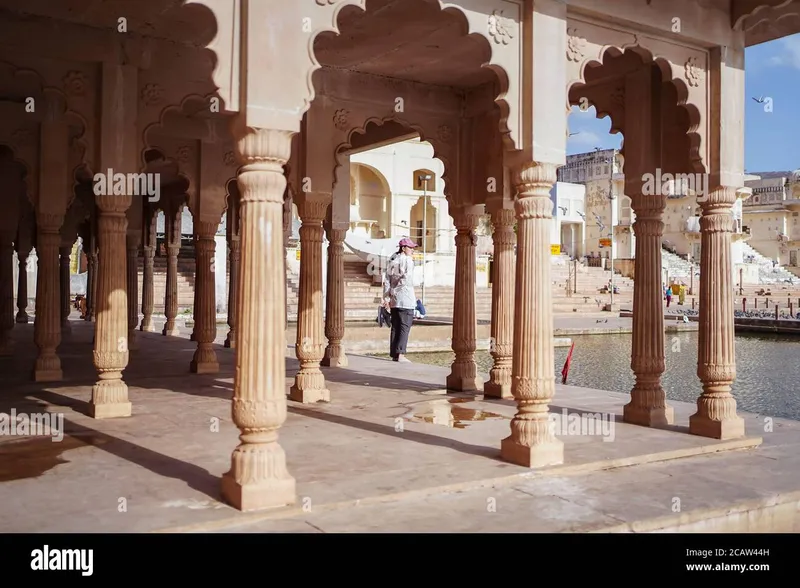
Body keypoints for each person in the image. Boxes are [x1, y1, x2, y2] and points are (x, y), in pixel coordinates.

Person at [382, 237, 418, 362]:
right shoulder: (408, 260)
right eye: (411, 247)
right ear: (403, 248)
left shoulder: (392, 261)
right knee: (404, 327)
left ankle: (394, 354)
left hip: (394, 301)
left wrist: (387, 296)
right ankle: (400, 354)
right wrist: (394, 291)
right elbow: (406, 279)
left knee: (395, 326)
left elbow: (386, 280)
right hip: (405, 298)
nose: (413, 250)